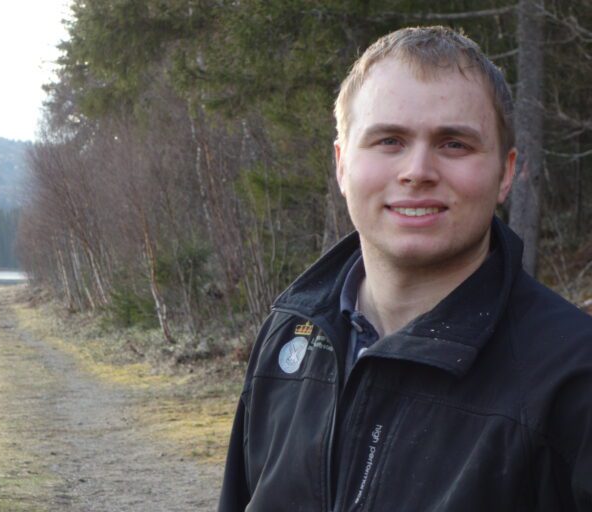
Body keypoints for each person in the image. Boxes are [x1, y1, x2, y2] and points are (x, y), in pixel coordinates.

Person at [218, 26, 592, 511]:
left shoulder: (573, 376)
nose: (417, 170)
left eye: (454, 144)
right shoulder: (291, 337)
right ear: (341, 165)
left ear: (505, 172)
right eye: (389, 140)